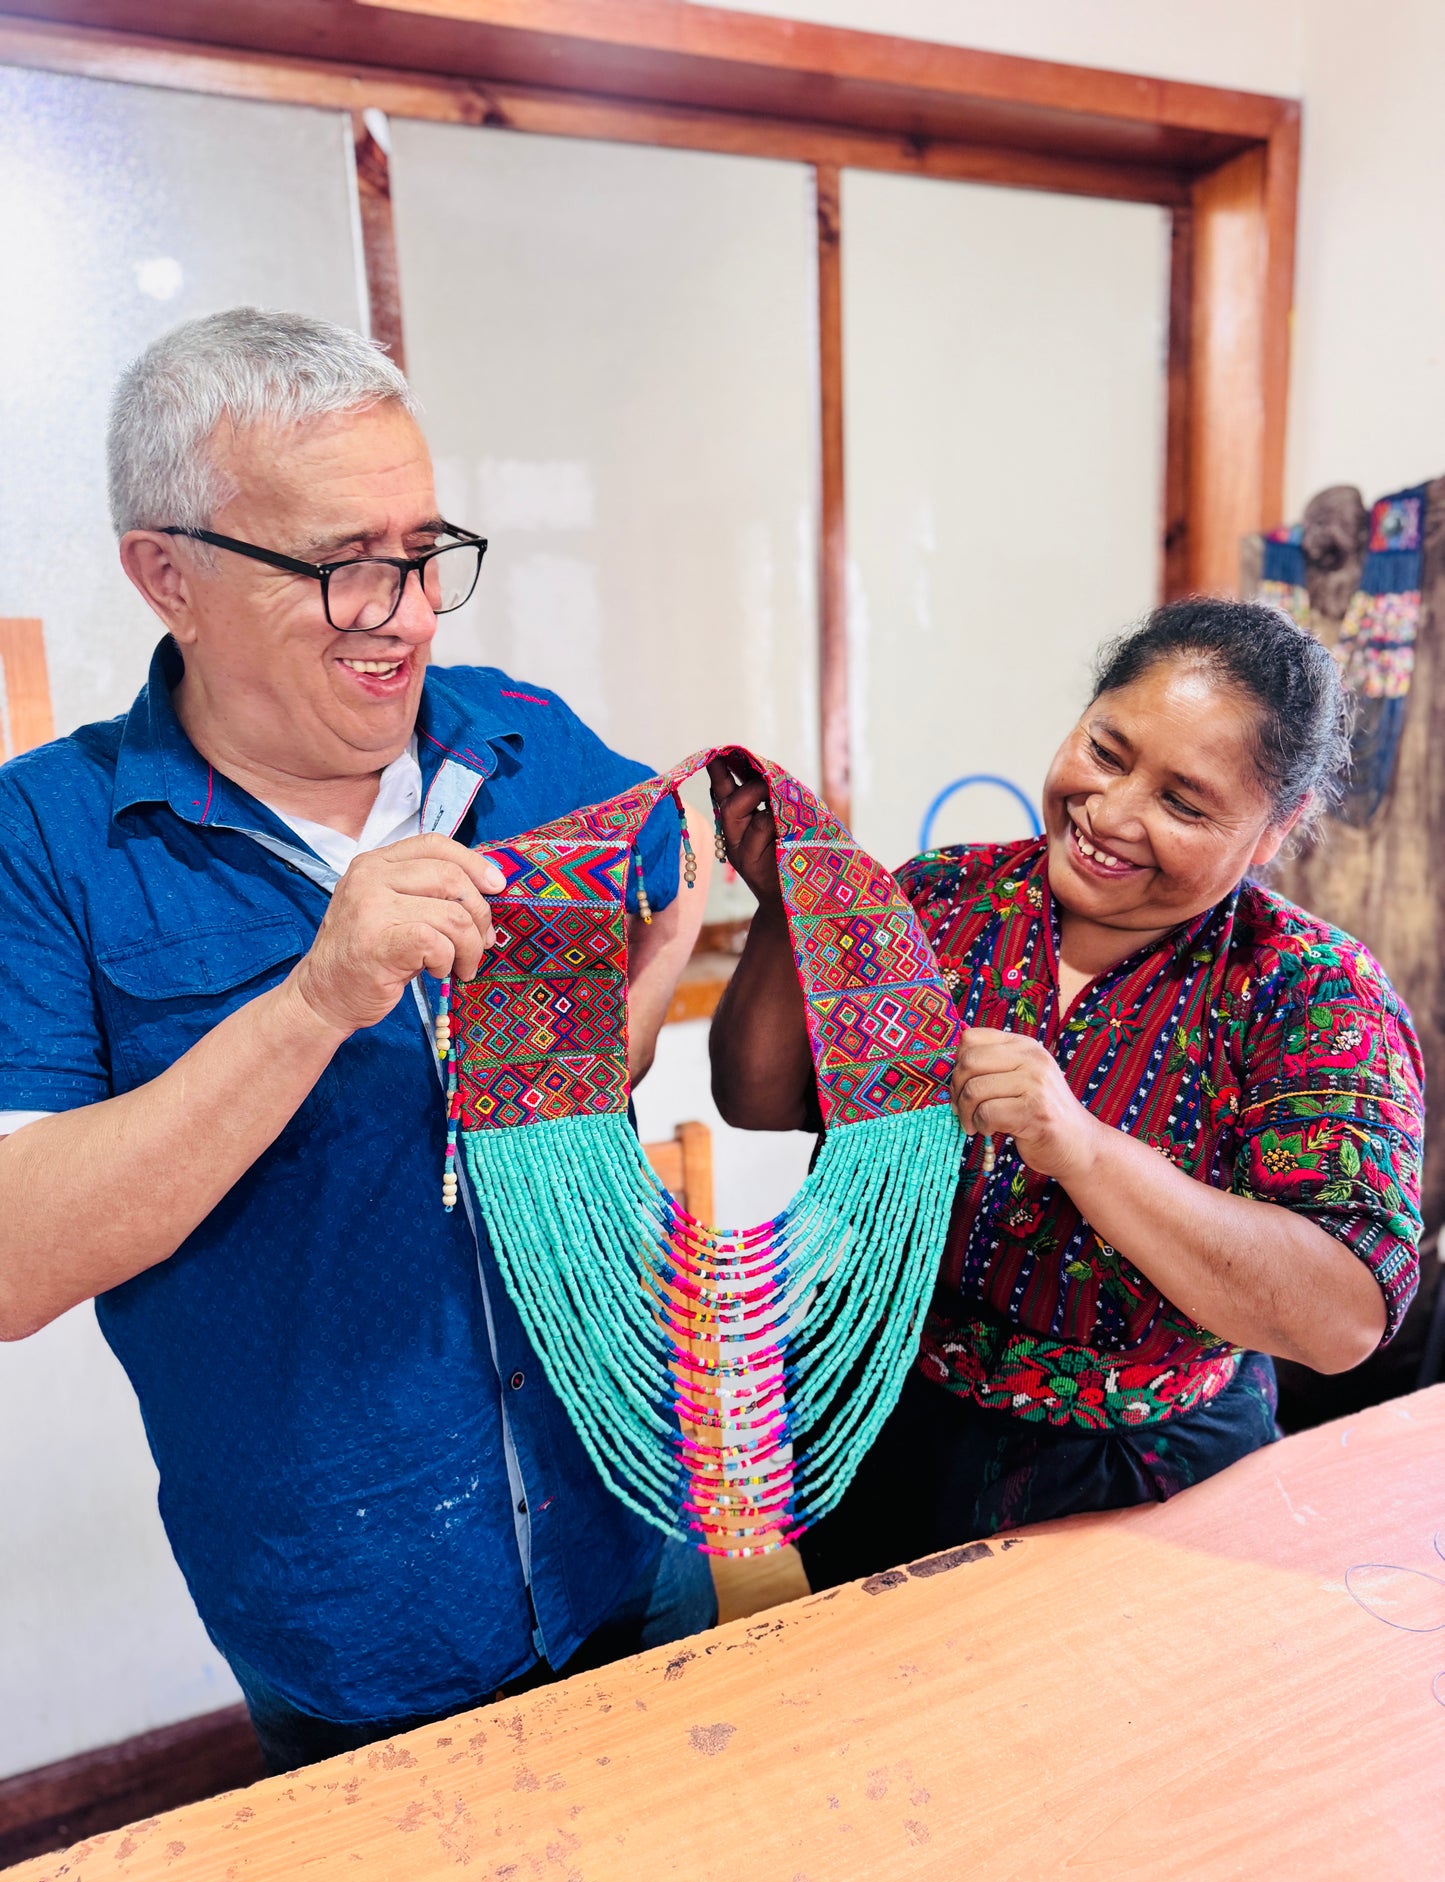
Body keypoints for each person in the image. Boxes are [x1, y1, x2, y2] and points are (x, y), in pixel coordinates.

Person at [0, 308, 713, 1771]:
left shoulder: (524, 741)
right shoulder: (48, 838)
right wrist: (319, 997)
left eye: (423, 549)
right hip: (354, 1611)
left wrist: (647, 979)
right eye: (340, 564)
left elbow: (629, 975)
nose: (403, 610)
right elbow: (15, 1261)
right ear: (167, 574)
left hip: (631, 1516)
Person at [709, 599, 1424, 1585]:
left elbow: (1342, 1316)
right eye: (1104, 750)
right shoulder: (937, 903)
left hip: (1153, 1486)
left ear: (1274, 830)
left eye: (1182, 803)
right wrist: (784, 912)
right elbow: (763, 1099)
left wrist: (1081, 1147)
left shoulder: (1306, 989)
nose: (1110, 814)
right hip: (893, 1435)